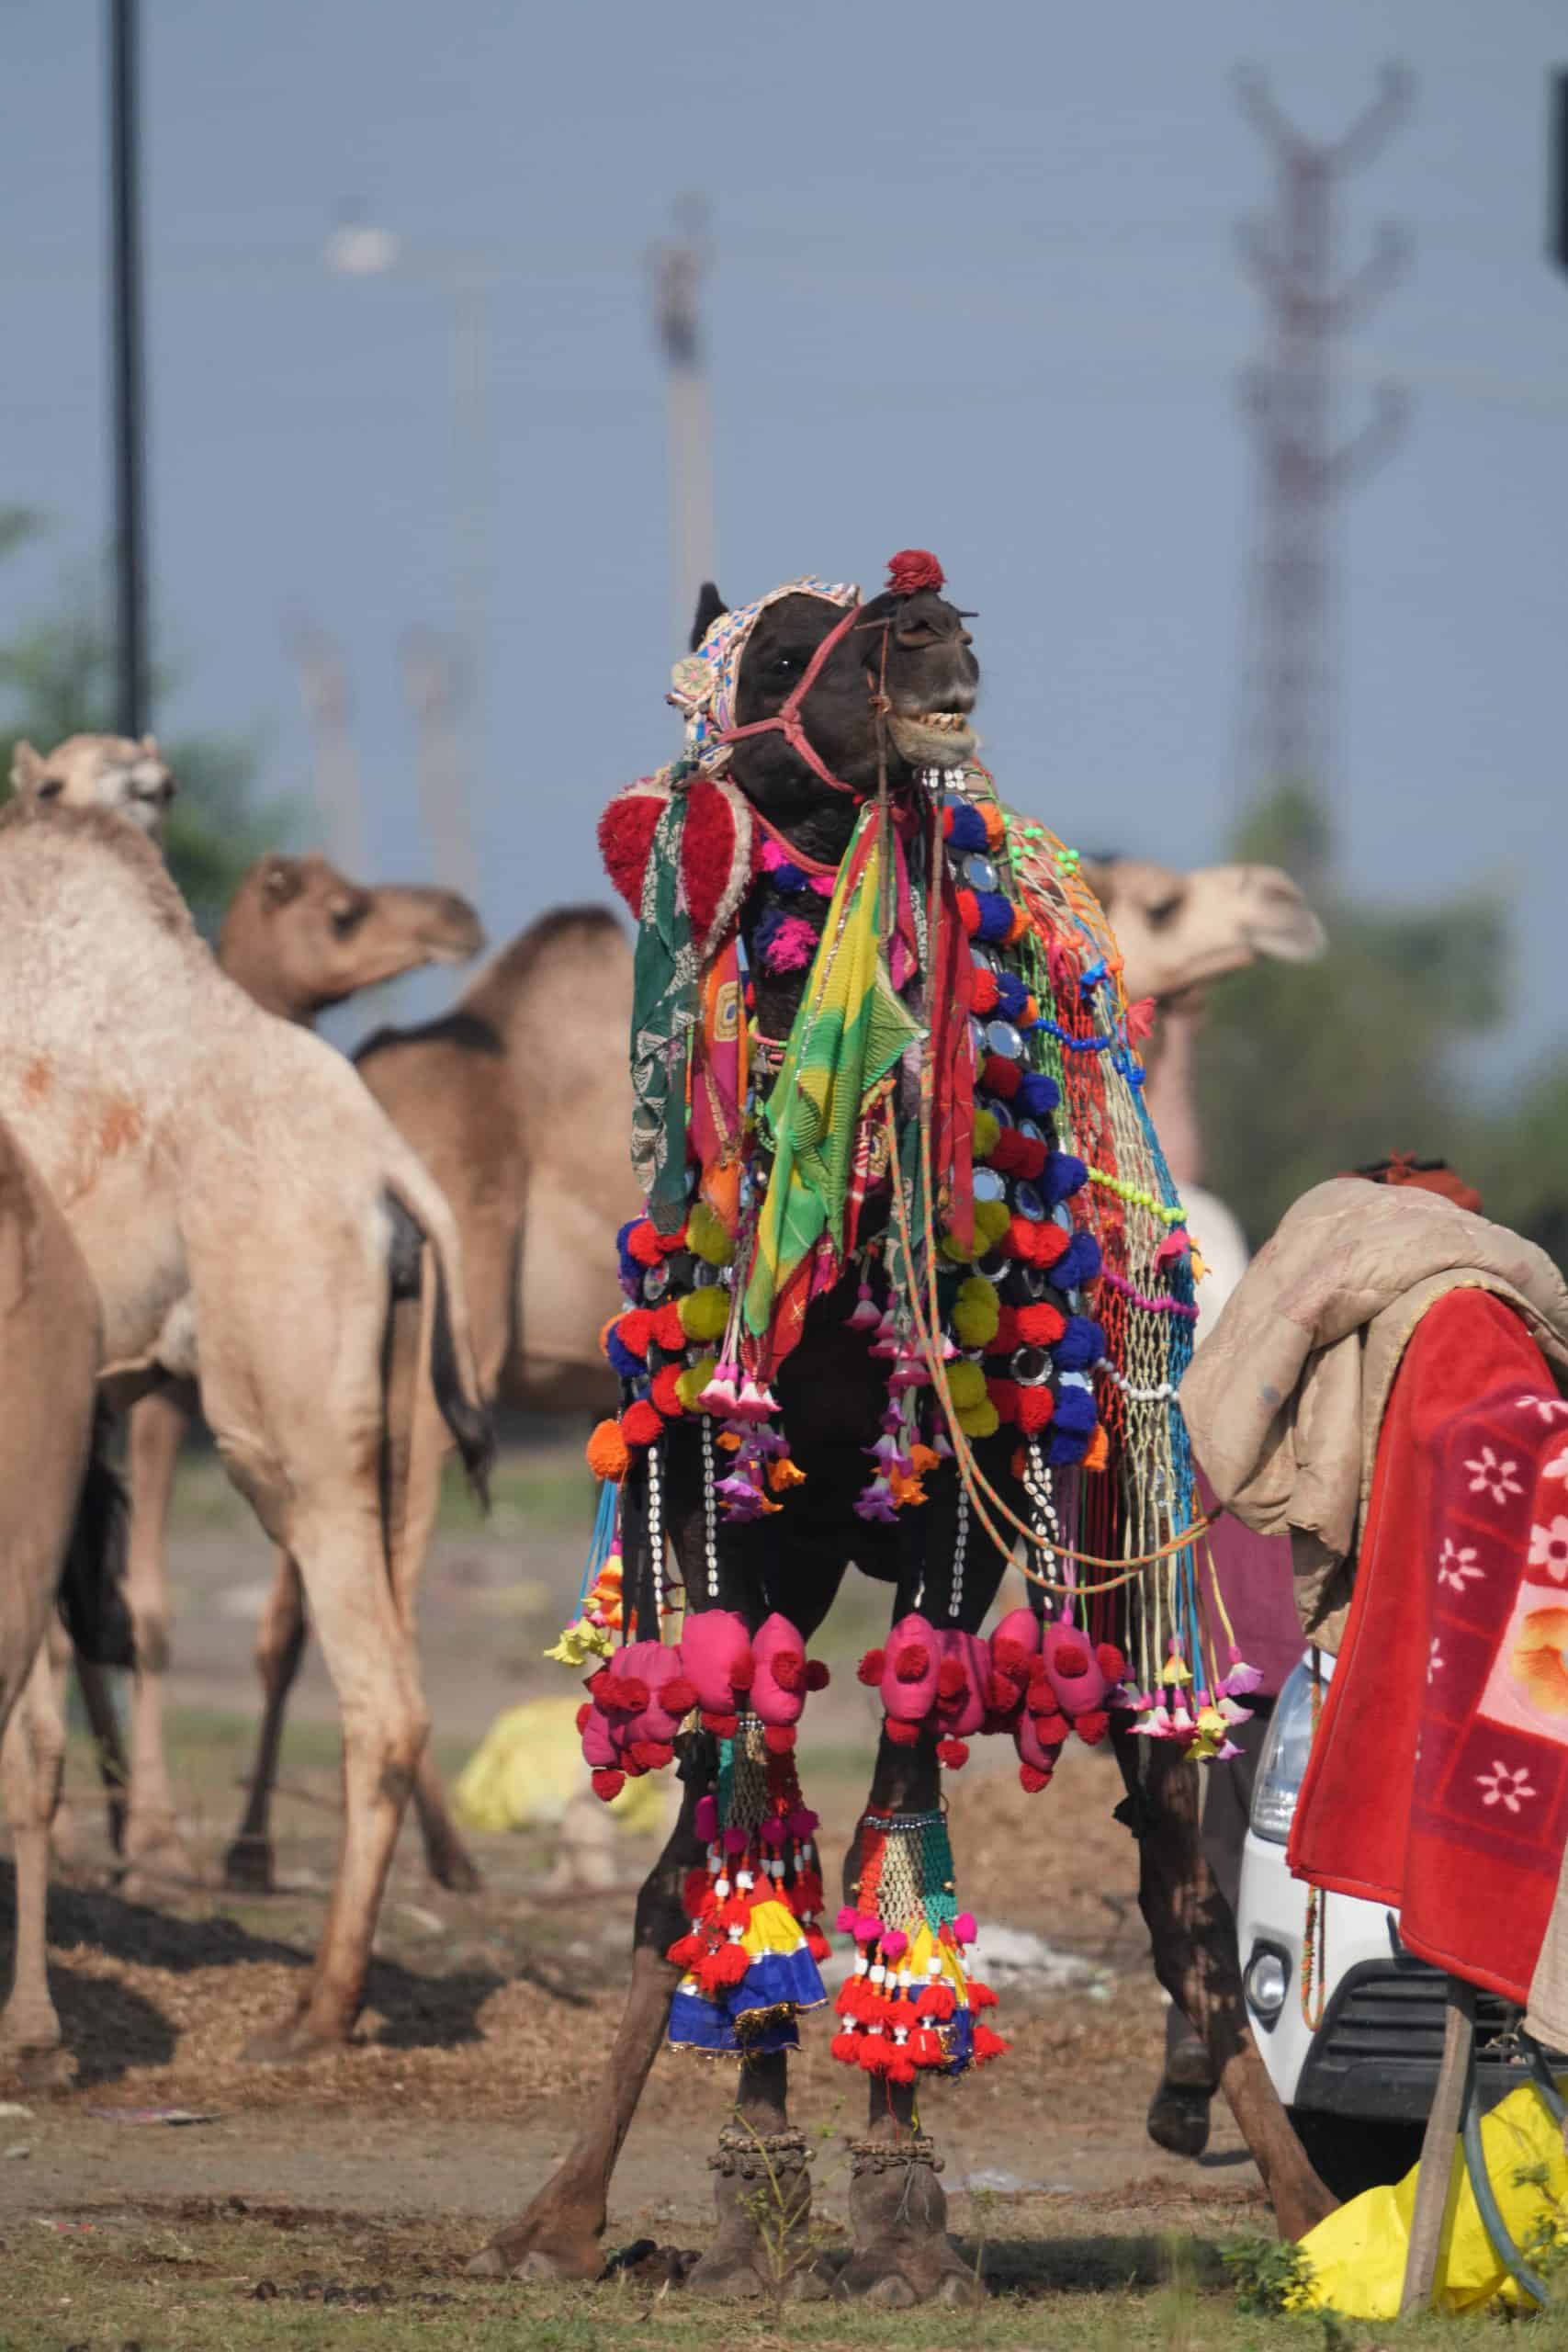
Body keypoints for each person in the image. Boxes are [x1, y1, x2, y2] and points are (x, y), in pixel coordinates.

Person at [1147, 1154, 1488, 2159]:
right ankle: (1277, 2048)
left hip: (1243, 1638)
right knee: (1323, 1858)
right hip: (1338, 1642)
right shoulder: (1433, 1336)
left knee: (1222, 1848)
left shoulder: (1282, 1315)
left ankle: (1201, 2039)